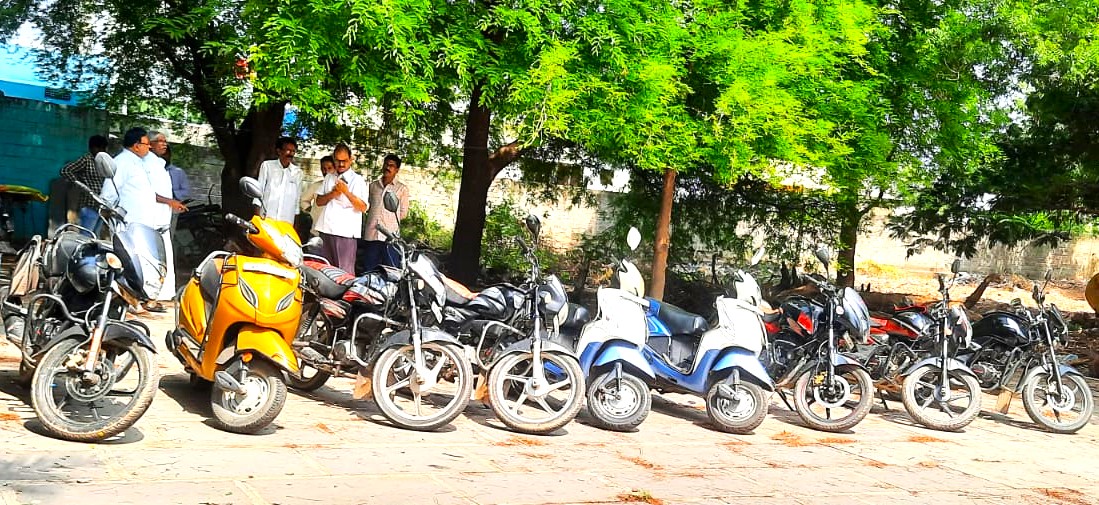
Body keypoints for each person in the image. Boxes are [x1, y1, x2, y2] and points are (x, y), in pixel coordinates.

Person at [101, 127, 187, 313]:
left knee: (142, 266)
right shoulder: (122, 163)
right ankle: (125, 303)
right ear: (136, 145)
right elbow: (108, 195)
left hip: (143, 225)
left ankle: (140, 301)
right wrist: (117, 216)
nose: (149, 148)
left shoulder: (139, 163)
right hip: (129, 224)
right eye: (146, 144)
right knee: (129, 265)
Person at [314, 143, 368, 272]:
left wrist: (346, 192)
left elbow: (363, 207)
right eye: (338, 160)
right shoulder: (329, 177)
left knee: (343, 273)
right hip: (326, 230)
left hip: (345, 233)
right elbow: (319, 202)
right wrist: (333, 193)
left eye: (344, 160)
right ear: (334, 159)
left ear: (351, 159)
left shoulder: (358, 180)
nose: (341, 164)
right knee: (324, 270)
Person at [358, 154, 410, 273]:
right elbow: (366, 206)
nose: (387, 167)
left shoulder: (401, 189)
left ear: (397, 170)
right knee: (368, 269)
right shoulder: (373, 186)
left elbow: (403, 213)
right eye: (386, 164)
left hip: (390, 237)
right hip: (372, 234)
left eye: (391, 165)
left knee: (391, 270)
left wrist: (389, 221)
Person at [59, 135, 109, 234]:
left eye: (104, 148)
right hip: (89, 204)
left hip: (102, 206)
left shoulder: (104, 162)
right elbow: (65, 170)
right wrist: (78, 183)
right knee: (86, 235)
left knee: (96, 236)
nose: (102, 151)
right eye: (99, 148)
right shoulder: (86, 160)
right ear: (92, 148)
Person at [255, 137, 302, 227]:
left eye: (293, 151)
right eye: (288, 150)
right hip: (266, 219)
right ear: (279, 151)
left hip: (286, 222)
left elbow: (297, 201)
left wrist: (295, 225)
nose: (291, 154)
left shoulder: (297, 172)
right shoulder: (267, 166)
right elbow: (258, 194)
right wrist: (258, 220)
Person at [297, 155, 334, 240]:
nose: (326, 171)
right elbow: (303, 200)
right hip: (316, 231)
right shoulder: (316, 186)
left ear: (335, 168)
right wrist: (311, 211)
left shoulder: (340, 187)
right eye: (323, 168)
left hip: (333, 233)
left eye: (329, 168)